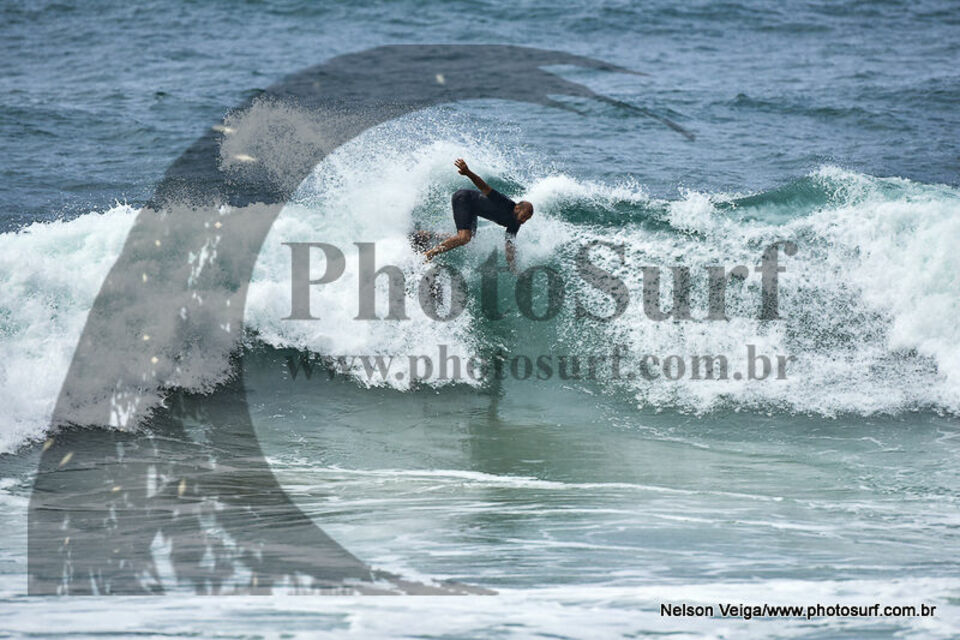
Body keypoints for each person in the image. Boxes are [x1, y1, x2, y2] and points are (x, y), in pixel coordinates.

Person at [423, 159, 533, 272]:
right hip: (464, 199)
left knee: (468, 239)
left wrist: (512, 266)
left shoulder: (515, 223)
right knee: (464, 237)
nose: (524, 221)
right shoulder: (505, 203)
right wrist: (467, 172)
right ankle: (430, 254)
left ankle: (427, 236)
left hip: (473, 210)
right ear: (517, 208)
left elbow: (509, 246)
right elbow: (484, 187)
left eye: (527, 219)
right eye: (523, 216)